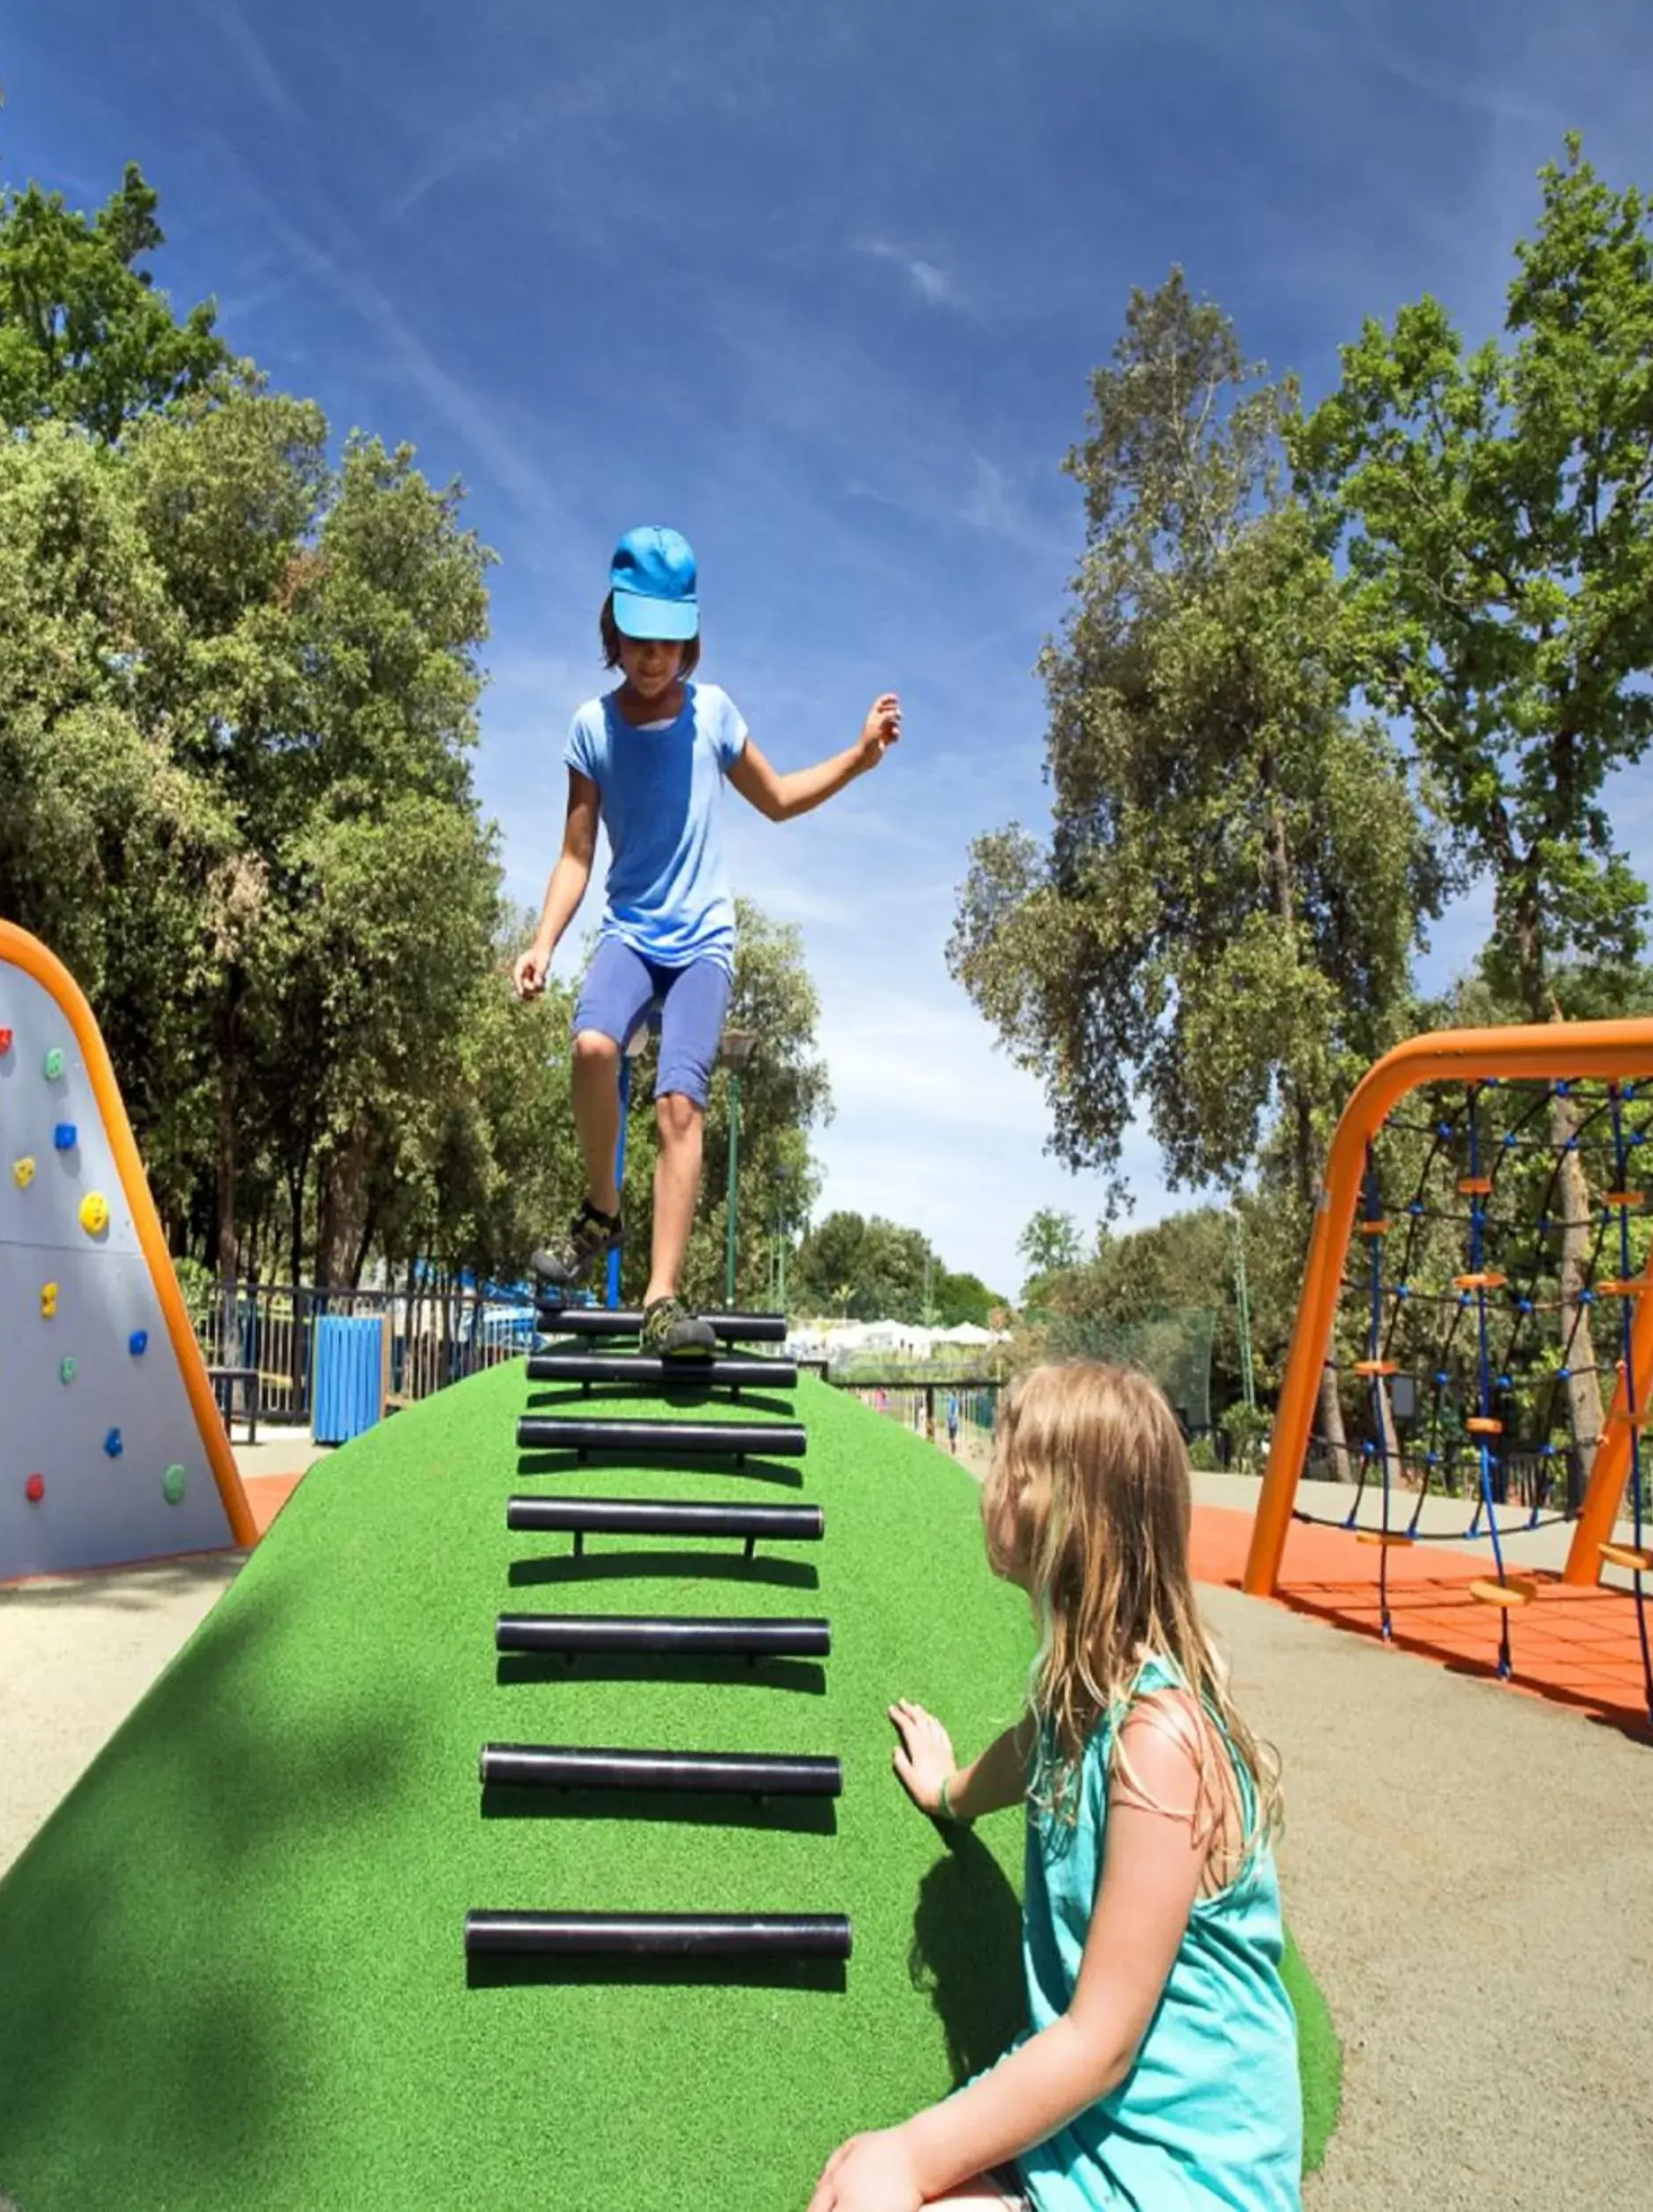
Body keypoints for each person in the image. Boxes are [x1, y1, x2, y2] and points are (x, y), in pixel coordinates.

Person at [811, 1362, 1302, 2211]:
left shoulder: (1158, 1742)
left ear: (1064, 1516)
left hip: (1184, 2166)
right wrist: (949, 1792)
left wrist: (913, 2156)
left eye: (1011, 1463)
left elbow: (1100, 2044)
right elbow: (1024, 1753)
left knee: (874, 2190)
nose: (991, 1483)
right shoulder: (1078, 1697)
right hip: (1094, 2126)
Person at [513, 526, 898, 1357]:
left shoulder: (712, 713)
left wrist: (859, 759)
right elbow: (576, 853)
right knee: (589, 1047)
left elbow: (781, 798)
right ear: (612, 628)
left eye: (669, 639)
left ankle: (660, 1299)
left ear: (689, 634)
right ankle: (600, 1211)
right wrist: (544, 939)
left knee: (679, 1103)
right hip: (629, 931)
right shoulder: (591, 728)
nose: (653, 657)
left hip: (701, 945)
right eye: (638, 637)